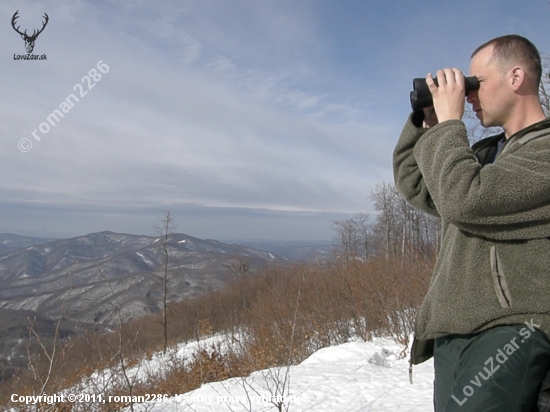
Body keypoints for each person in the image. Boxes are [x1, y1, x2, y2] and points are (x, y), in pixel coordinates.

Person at [393, 34, 550, 411]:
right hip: (454, 328)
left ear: (516, 78)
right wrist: (428, 122)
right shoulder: (483, 154)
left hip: (512, 326)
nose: (469, 95)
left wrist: (450, 126)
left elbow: (466, 199)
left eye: (475, 83)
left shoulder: (545, 150)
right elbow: (416, 183)